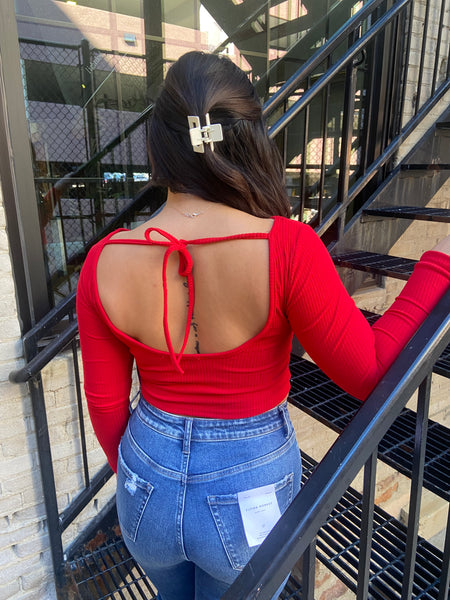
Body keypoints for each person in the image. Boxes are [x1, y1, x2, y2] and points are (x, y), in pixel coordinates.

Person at [76, 51, 450, 600]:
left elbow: (107, 406)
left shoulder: (103, 261)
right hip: (245, 485)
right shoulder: (287, 247)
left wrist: (142, 481)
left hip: (145, 480)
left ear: (159, 145)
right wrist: (437, 267)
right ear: (250, 139)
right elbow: (369, 371)